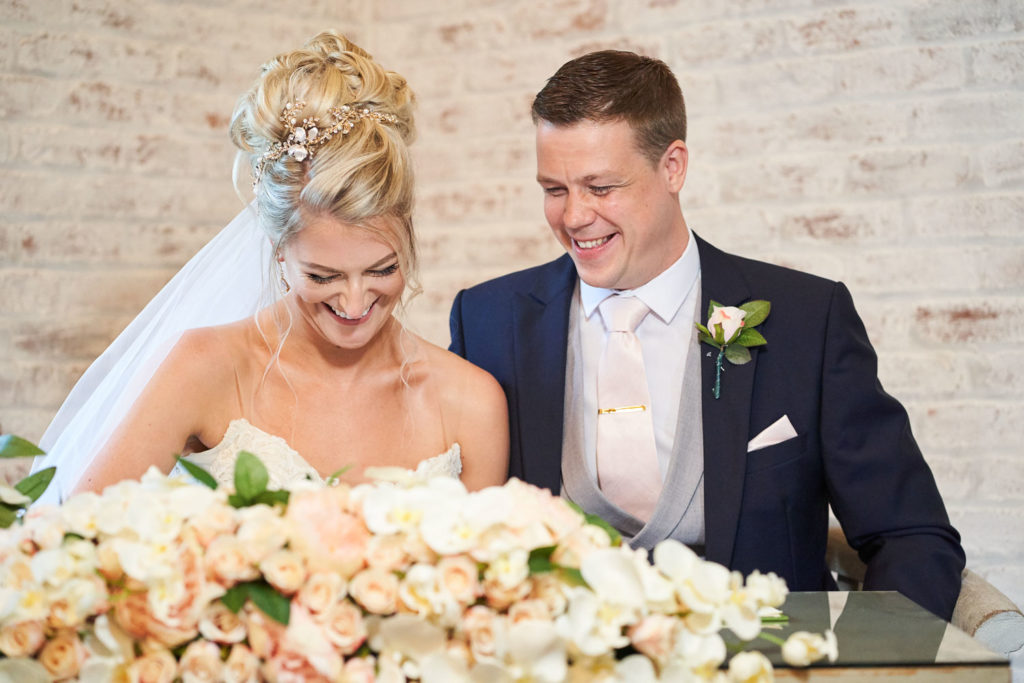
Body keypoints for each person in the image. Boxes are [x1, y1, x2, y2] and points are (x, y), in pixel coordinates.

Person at [448, 50, 965, 620]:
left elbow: (910, 536)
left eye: (601, 186)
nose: (573, 217)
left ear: (673, 167)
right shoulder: (487, 322)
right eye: (554, 189)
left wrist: (876, 657)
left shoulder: (807, 321)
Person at [32, 31, 509, 499]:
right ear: (278, 249)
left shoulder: (469, 401)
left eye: (382, 270)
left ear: (408, 239)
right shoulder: (204, 367)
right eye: (323, 276)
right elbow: (76, 532)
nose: (354, 302)